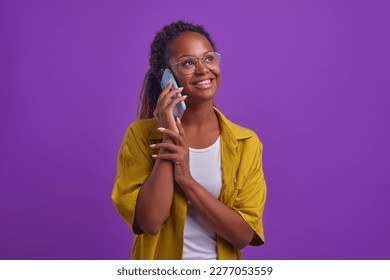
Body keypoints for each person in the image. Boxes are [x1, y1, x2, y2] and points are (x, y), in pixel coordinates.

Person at [112, 20, 266, 260]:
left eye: (208, 58)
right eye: (188, 63)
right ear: (166, 77)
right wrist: (168, 132)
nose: (203, 69)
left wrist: (186, 179)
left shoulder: (246, 142)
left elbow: (243, 235)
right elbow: (150, 222)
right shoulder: (139, 136)